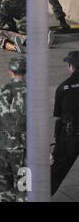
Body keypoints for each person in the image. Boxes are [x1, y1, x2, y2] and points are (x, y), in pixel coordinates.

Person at [0, 56, 27, 202]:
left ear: (10, 72)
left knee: (3, 189)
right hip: (25, 149)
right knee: (24, 190)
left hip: (2, 147)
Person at [51, 51, 79, 195]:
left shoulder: (64, 87)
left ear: (71, 67)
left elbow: (58, 114)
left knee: (57, 169)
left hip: (70, 136)